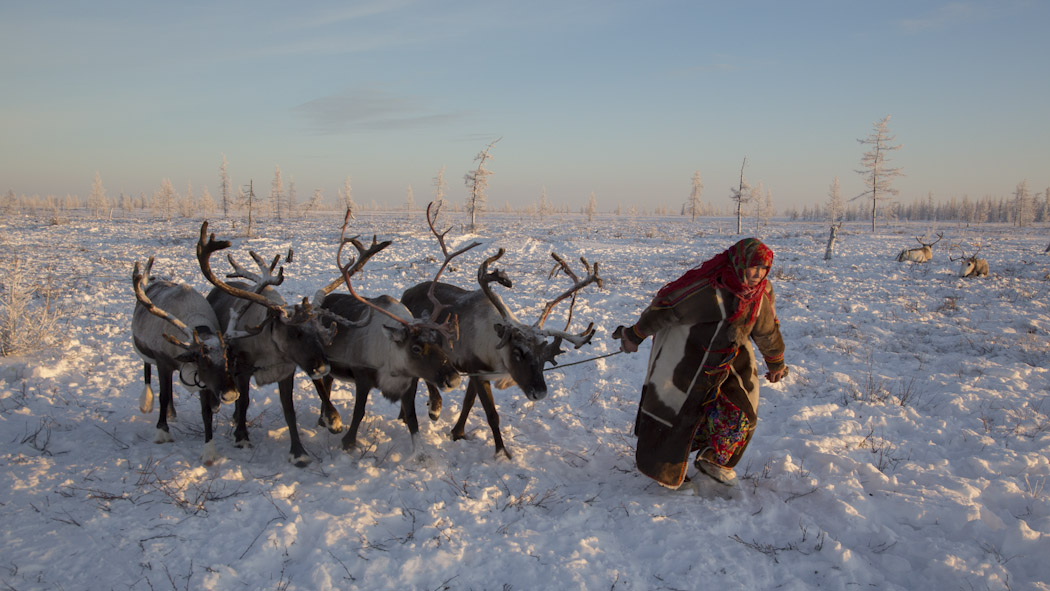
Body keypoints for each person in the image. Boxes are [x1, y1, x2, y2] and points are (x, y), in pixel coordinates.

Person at [616, 238, 788, 488]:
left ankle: (713, 458)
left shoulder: (760, 293)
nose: (758, 274)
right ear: (740, 263)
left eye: (764, 269)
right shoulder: (710, 289)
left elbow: (766, 330)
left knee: (741, 413)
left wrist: (776, 363)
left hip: (729, 363)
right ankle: (667, 472)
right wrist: (635, 335)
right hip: (689, 361)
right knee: (677, 415)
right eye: (753, 267)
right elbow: (667, 308)